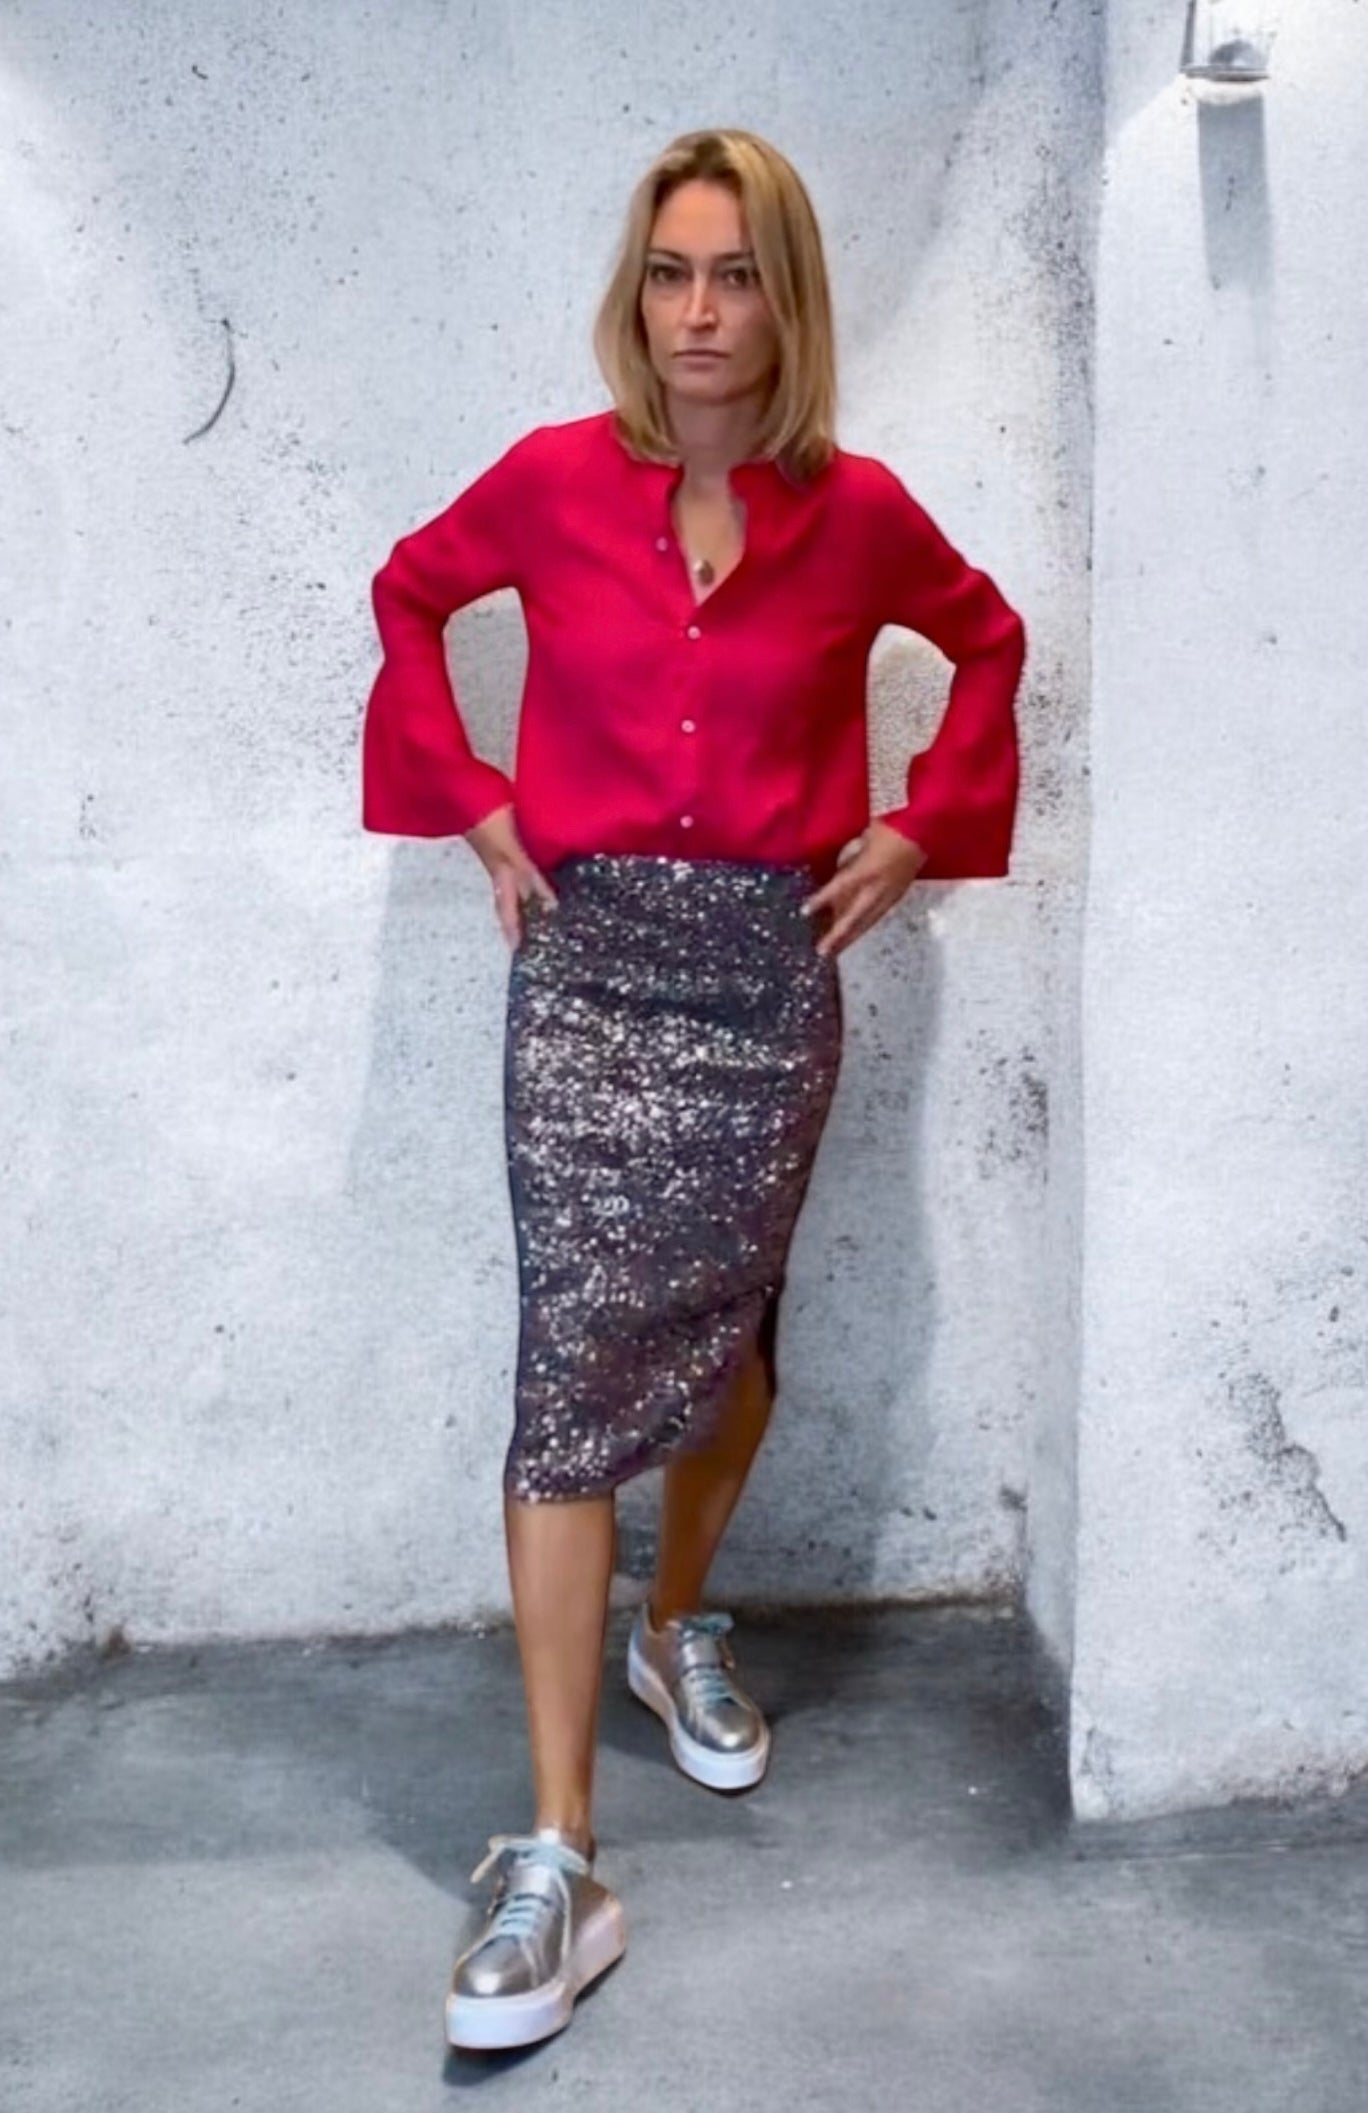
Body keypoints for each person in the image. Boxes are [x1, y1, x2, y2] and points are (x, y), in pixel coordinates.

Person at [361, 126, 1025, 2054]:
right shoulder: (552, 482)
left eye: (735, 274)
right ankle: (560, 1854)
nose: (700, 311)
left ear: (787, 298)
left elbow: (987, 641)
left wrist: (918, 825)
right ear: (635, 292)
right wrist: (475, 803)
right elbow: (409, 594)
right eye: (671, 271)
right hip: (584, 974)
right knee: (570, 1370)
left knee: (728, 1341)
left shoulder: (862, 514)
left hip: (763, 978)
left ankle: (675, 1624)